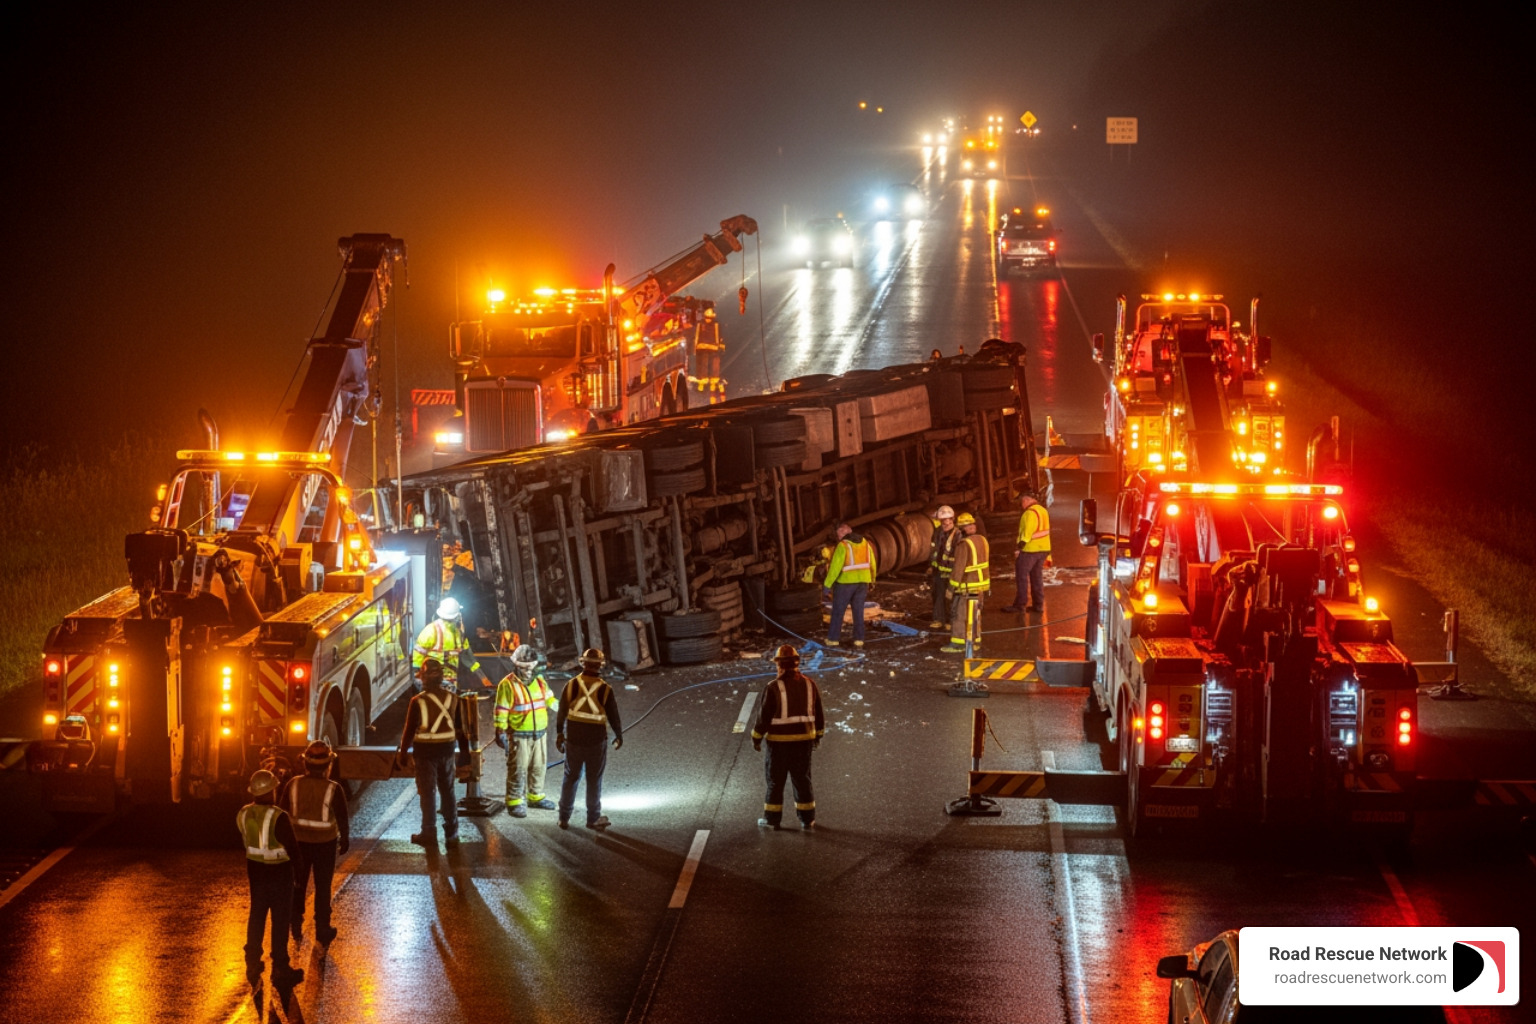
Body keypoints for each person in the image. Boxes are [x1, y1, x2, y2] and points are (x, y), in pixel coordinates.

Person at [237, 769, 304, 996]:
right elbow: (293, 849)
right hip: (279, 874)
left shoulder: (244, 814)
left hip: (255, 873)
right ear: (271, 791)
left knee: (257, 916)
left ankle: (253, 960)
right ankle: (280, 968)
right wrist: (299, 874)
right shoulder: (279, 816)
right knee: (279, 920)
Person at [280, 741, 350, 947]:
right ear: (329, 765)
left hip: (297, 845)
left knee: (298, 884)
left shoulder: (292, 784)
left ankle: (295, 922)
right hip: (325, 845)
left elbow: (281, 814)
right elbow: (342, 817)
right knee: (322, 887)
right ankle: (322, 928)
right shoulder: (334, 788)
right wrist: (344, 839)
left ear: (305, 764)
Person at [395, 658, 471, 849]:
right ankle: (452, 832)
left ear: (425, 678)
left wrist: (402, 753)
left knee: (427, 793)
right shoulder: (454, 699)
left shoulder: (417, 701)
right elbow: (461, 730)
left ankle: (429, 832)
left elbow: (409, 730)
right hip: (446, 751)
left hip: (425, 755)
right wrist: (465, 755)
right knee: (448, 791)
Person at [752, 644, 826, 830]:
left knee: (775, 782)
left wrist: (756, 737)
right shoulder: (810, 684)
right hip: (804, 743)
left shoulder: (773, 687)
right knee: (802, 780)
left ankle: (772, 820)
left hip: (779, 744)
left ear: (779, 665)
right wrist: (818, 736)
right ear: (796, 663)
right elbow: (819, 713)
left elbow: (764, 717)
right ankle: (807, 820)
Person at [554, 648, 623, 830]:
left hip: (574, 740)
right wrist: (619, 734)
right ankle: (593, 819)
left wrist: (560, 734)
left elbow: (561, 712)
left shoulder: (571, 685)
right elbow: (613, 715)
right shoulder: (605, 689)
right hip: (596, 741)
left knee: (570, 777)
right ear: (600, 665)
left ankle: (563, 818)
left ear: (582, 663)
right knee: (594, 780)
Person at [493, 644, 560, 818]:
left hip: (539, 733)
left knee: (539, 766)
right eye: (524, 668)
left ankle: (535, 796)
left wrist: (567, 711)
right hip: (519, 734)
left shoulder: (539, 681)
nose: (528, 671)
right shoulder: (507, 684)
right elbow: (501, 709)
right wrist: (500, 731)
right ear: (516, 665)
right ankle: (514, 801)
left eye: (531, 667)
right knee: (518, 768)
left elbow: (550, 700)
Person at [412, 597, 490, 692]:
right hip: (436, 681)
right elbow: (468, 657)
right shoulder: (456, 633)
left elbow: (417, 659)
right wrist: (482, 676)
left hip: (439, 681)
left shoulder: (430, 631)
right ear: (457, 616)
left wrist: (417, 678)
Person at [942, 512, 990, 653]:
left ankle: (958, 643)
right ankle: (975, 641)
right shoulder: (983, 540)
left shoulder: (964, 544)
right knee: (975, 615)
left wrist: (951, 588)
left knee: (960, 614)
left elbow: (959, 568)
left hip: (967, 587)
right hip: (980, 585)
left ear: (962, 529)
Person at [822, 522, 876, 648]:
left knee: (838, 611)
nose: (838, 537)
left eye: (838, 534)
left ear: (842, 533)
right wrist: (872, 580)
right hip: (862, 582)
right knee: (858, 612)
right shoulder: (865, 543)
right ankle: (859, 640)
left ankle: (833, 640)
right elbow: (872, 563)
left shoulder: (843, 545)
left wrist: (827, 585)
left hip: (845, 583)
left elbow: (835, 568)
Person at [1001, 491, 1052, 613]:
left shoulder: (1029, 513)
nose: (1022, 504)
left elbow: (1027, 533)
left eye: (1023, 501)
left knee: (1022, 577)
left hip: (1030, 550)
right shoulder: (1043, 511)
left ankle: (1020, 605)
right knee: (1036, 577)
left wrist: (1019, 548)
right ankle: (1038, 605)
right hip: (1043, 549)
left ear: (1028, 500)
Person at [928, 505, 958, 629]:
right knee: (938, 595)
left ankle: (950, 622)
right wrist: (931, 566)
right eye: (943, 521)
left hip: (951, 571)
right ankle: (938, 619)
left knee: (950, 596)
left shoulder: (957, 535)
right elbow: (934, 551)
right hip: (938, 570)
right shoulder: (938, 532)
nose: (945, 524)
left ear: (952, 520)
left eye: (948, 521)